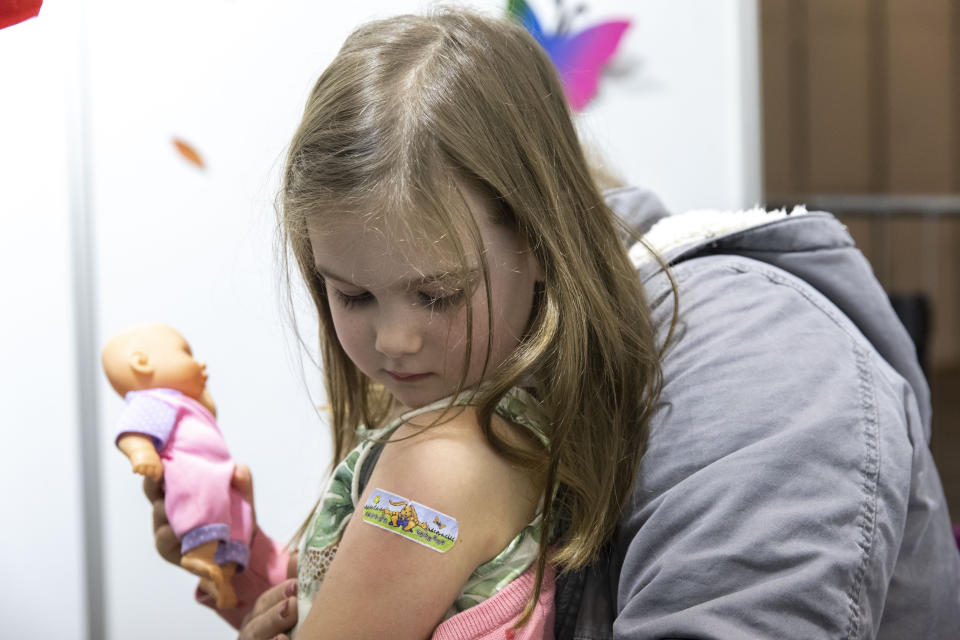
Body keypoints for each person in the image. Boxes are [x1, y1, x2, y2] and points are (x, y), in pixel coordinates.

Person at [142, 8, 960, 640]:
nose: (394, 341)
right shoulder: (483, 374)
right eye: (351, 298)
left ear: (539, 233)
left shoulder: (761, 370)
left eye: (436, 294)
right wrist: (256, 574)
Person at [104, 323, 253, 610]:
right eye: (186, 353)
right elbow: (131, 431)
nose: (200, 362)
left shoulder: (182, 402)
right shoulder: (156, 400)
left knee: (238, 517)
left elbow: (210, 414)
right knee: (202, 504)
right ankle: (200, 553)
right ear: (141, 363)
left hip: (219, 473)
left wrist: (201, 390)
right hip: (191, 471)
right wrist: (142, 451)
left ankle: (221, 574)